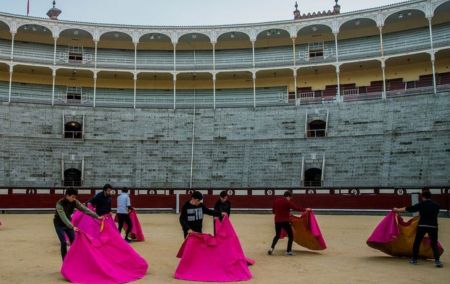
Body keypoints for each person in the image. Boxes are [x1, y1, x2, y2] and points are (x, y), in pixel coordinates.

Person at [394, 191, 443, 268]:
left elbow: (410, 209)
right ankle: (437, 261)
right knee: (434, 243)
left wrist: (397, 209)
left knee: (417, 242)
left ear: (423, 197)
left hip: (422, 225)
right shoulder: (437, 205)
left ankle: (414, 259)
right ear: (430, 197)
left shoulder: (422, 204)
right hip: (433, 226)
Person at [54, 188, 102, 260]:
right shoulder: (59, 203)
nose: (74, 199)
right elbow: (63, 217)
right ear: (67, 195)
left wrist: (97, 216)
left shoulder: (75, 202)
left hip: (68, 224)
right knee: (63, 242)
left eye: (75, 197)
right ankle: (65, 262)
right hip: (59, 224)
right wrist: (72, 226)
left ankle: (74, 260)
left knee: (74, 241)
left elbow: (85, 209)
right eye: (72, 197)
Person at [268, 191, 309, 256]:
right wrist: (305, 209)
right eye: (290, 198)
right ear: (288, 196)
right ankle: (288, 251)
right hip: (285, 221)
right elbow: (296, 208)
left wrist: (282, 213)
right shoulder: (287, 202)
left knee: (277, 235)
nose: (290, 199)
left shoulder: (276, 201)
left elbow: (273, 211)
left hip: (277, 221)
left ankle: (271, 248)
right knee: (291, 236)